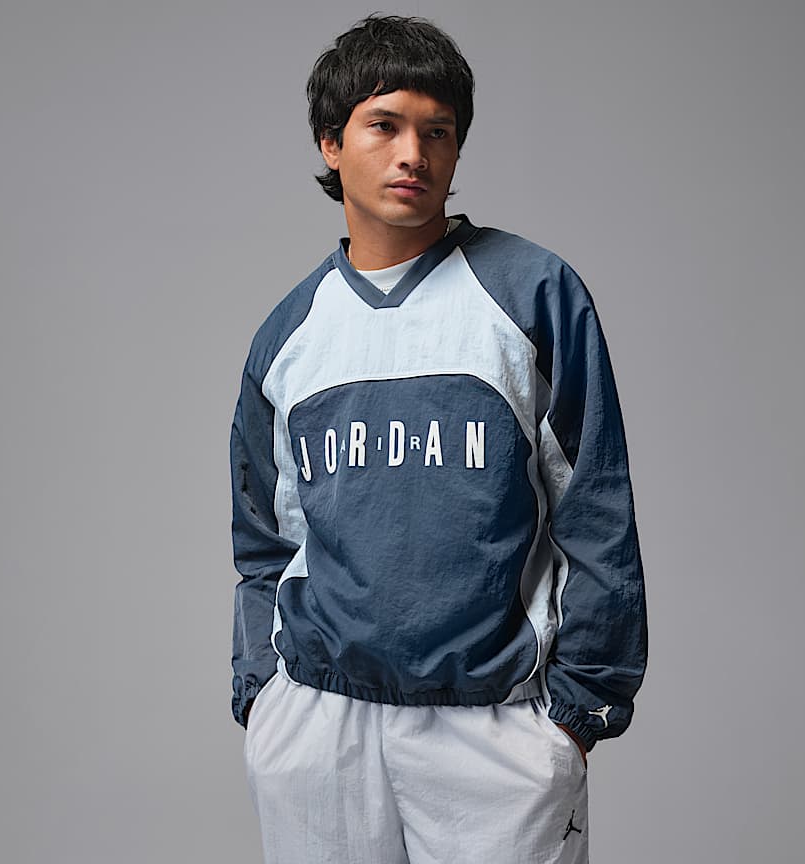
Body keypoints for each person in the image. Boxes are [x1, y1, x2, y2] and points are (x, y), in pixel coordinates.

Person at [229, 14, 647, 864]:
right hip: (319, 725)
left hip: (495, 727)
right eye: (384, 126)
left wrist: (577, 716)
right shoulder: (289, 333)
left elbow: (597, 511)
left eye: (438, 132)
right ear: (331, 143)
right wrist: (260, 693)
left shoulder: (533, 295)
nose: (413, 154)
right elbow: (264, 536)